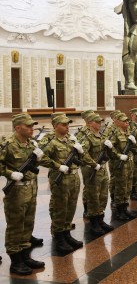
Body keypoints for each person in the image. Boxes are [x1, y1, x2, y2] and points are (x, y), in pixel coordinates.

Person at [0, 114, 51, 275]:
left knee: (28, 223)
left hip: (31, 188)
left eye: (32, 126)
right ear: (17, 127)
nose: (31, 128)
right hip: (16, 190)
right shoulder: (8, 144)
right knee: (16, 225)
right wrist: (10, 174)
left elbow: (36, 164)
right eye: (28, 126)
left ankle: (25, 255)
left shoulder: (30, 143)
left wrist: (39, 158)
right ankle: (16, 260)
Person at [43, 114, 97, 254]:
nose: (67, 127)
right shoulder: (50, 140)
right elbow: (41, 157)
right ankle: (59, 236)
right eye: (64, 124)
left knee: (71, 206)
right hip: (60, 179)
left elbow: (81, 156)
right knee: (60, 207)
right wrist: (57, 166)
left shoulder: (70, 139)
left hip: (74, 178)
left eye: (68, 124)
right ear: (55, 126)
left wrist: (83, 154)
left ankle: (67, 232)